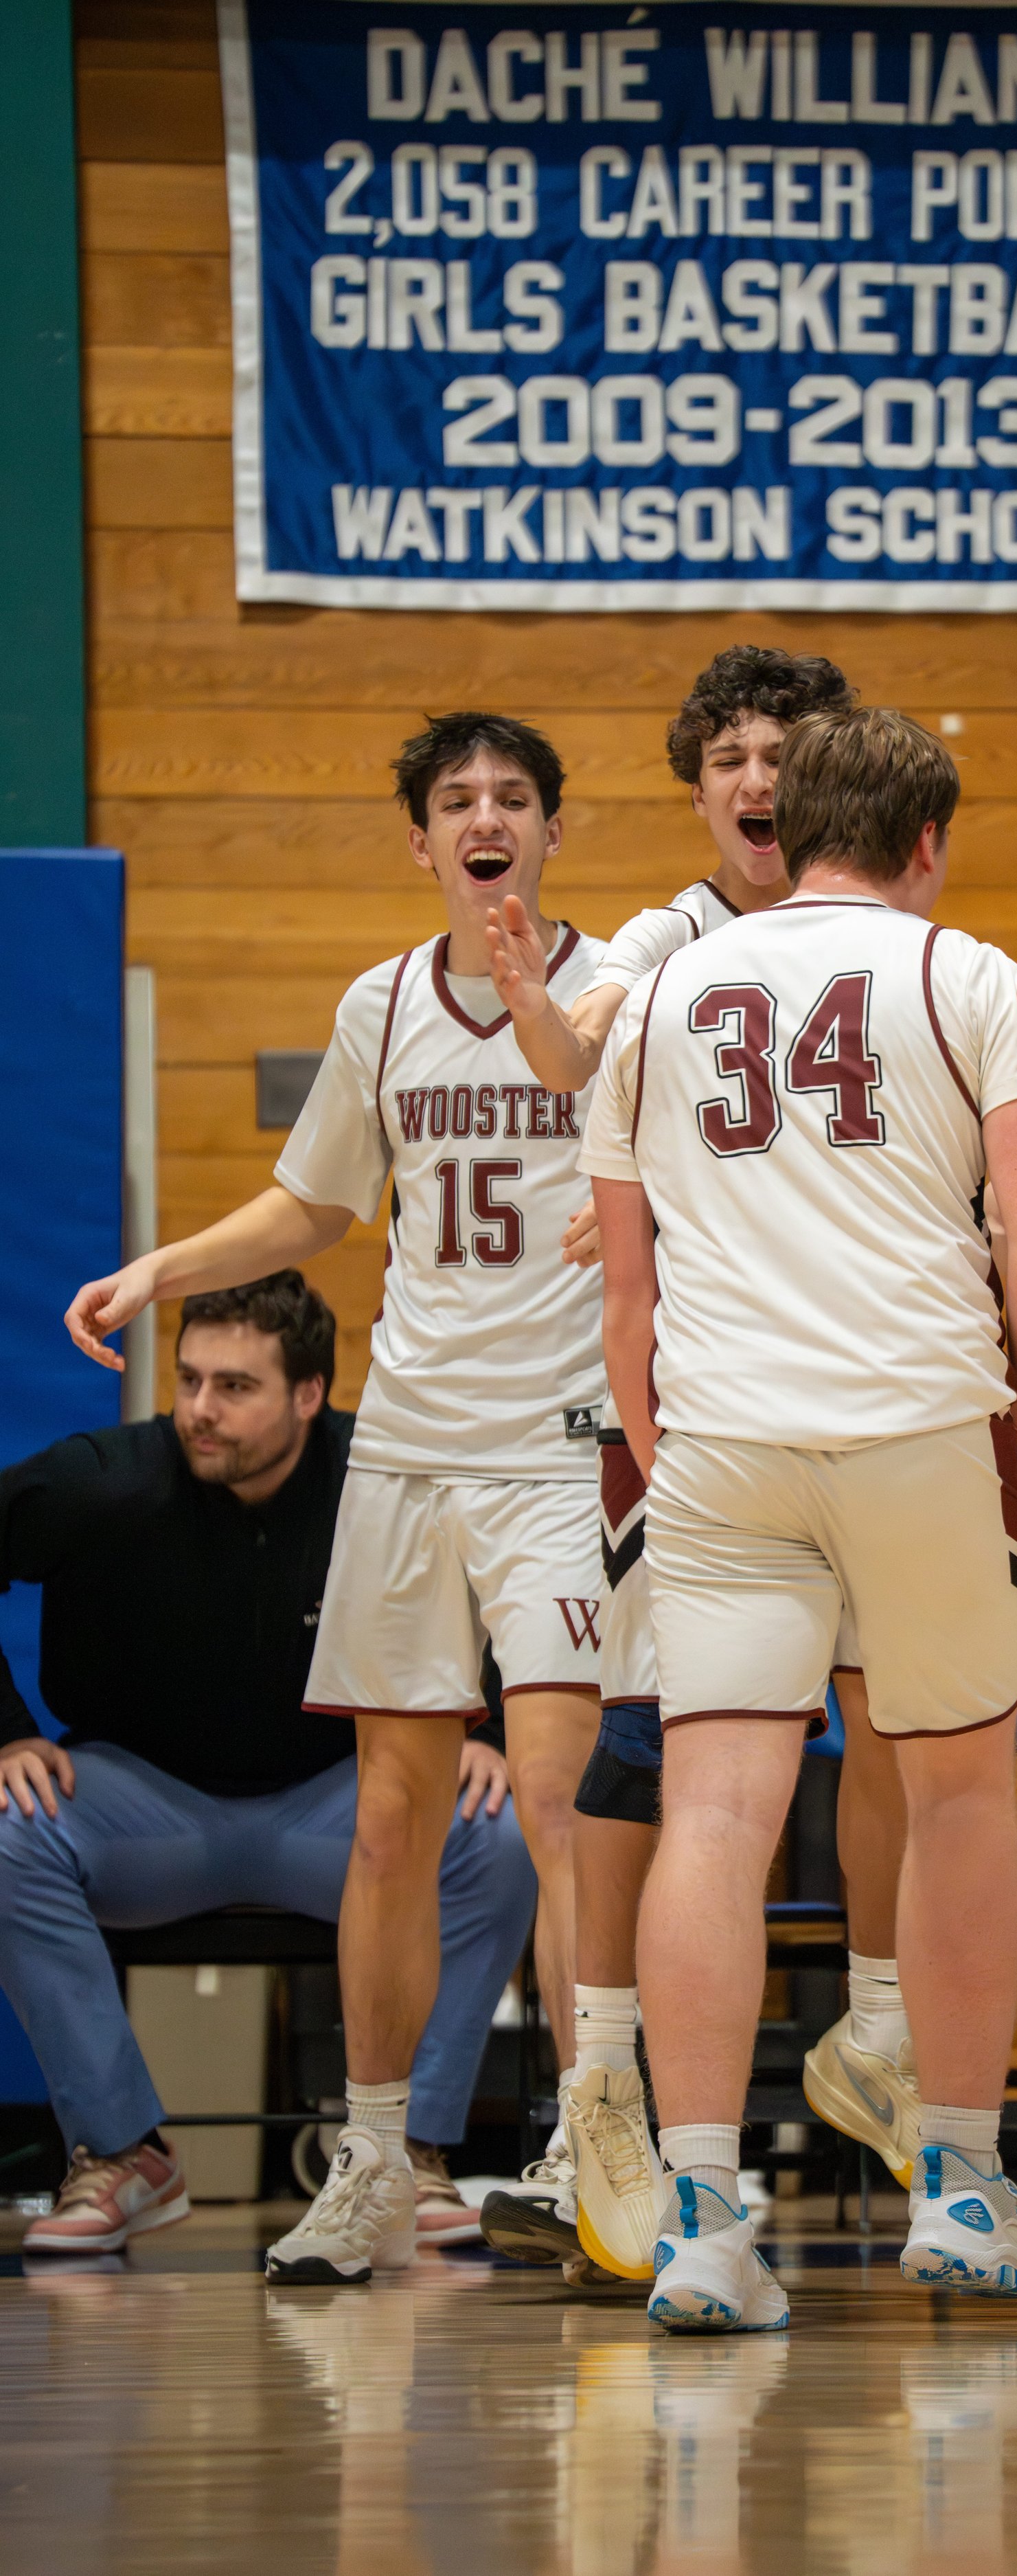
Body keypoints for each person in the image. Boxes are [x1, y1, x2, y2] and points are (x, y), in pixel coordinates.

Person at [64, 713, 618, 2285]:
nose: (487, 817)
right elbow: (319, 1200)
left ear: (552, 833)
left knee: (568, 1809)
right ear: (422, 841)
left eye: (514, 797)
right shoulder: (379, 1005)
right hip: (415, 1451)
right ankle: (375, 2157)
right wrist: (165, 1264)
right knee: (395, 1816)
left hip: (563, 1448)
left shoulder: (611, 991)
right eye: (457, 801)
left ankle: (590, 2141)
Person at [582, 703, 1017, 2331]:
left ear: (782, 822)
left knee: (715, 1818)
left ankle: (706, 2217)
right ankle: (954, 2180)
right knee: (952, 1800)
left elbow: (624, 1283)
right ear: (927, 841)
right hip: (922, 1427)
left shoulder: (648, 997)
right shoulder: (973, 979)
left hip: (723, 1440)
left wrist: (668, 1438)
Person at [478, 648, 919, 2287]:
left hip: (866, 1401)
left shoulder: (895, 944)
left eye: (783, 748)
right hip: (691, 1412)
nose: (755, 775)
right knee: (651, 1752)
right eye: (727, 753)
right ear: (697, 791)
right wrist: (534, 1007)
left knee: (892, 1718)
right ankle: (597, 2087)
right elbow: (569, 1051)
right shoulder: (667, 938)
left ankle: (876, 2029)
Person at [0, 1274, 532, 2254]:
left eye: (235, 1387)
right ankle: (120, 2152)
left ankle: (403, 2151)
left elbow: (508, 1576)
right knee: (7, 1835)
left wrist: (490, 1731)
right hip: (143, 1805)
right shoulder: (104, 1479)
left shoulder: (384, 1475)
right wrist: (5, 1728)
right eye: (190, 1380)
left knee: (496, 1835)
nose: (201, 1411)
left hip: (334, 1809)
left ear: (308, 1394)